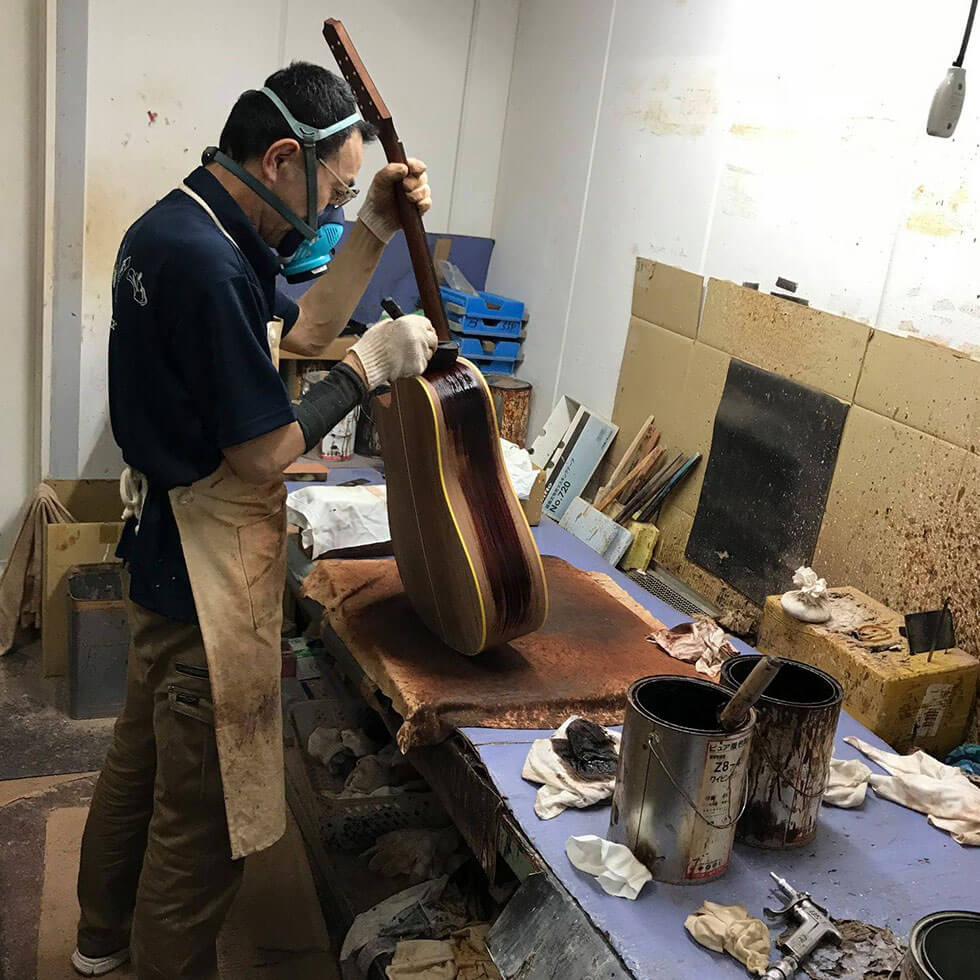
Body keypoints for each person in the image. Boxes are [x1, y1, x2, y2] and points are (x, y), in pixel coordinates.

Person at [72, 61, 437, 979]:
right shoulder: (208, 265)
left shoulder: (181, 225)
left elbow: (301, 328)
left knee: (139, 762)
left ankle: (98, 940)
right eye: (335, 192)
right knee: (199, 827)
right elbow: (265, 454)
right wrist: (369, 368)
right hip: (201, 572)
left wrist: (373, 225)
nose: (329, 213)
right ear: (281, 158)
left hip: (160, 548)